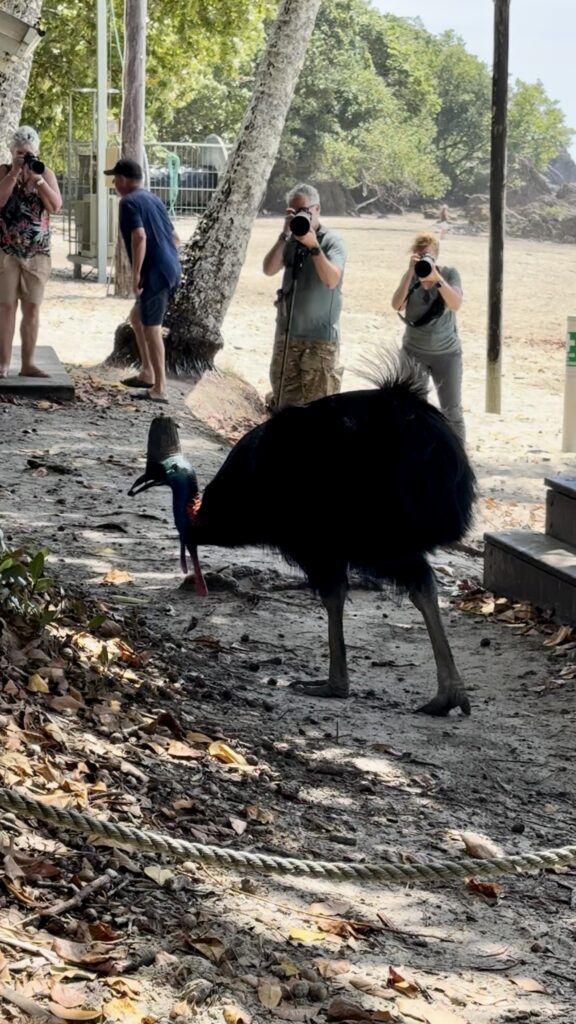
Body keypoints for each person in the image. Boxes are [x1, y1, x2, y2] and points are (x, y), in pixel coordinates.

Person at [263, 183, 346, 408]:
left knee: (319, 410)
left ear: (317, 209)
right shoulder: (290, 241)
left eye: (304, 210)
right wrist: (285, 233)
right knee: (284, 406)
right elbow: (269, 269)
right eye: (293, 211)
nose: (299, 215)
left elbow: (331, 280)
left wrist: (314, 246)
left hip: (319, 342)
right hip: (287, 336)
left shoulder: (331, 241)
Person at [105, 158, 181, 404]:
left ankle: (160, 388)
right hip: (170, 267)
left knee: (152, 328)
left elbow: (139, 236)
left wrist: (137, 273)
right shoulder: (153, 199)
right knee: (138, 318)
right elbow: (174, 236)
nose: (114, 183)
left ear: (125, 179)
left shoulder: (128, 202)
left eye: (115, 178)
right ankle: (147, 372)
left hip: (155, 272)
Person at [391, 232, 466, 442]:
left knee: (452, 411)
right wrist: (409, 273)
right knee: (414, 408)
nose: (423, 259)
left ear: (436, 256)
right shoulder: (411, 277)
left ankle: (459, 457)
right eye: (419, 254)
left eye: (428, 255)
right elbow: (397, 305)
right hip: (414, 352)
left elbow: (456, 304)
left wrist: (437, 278)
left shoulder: (449, 274)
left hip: (447, 353)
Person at [0, 126, 62, 379]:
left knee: (32, 308)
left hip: (37, 253)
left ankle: (28, 364)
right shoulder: (4, 172)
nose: (25, 158)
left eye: (29, 153)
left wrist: (38, 180)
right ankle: (3, 364)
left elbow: (56, 206)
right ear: (12, 151)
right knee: (5, 307)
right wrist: (14, 172)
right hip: (6, 251)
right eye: (20, 153)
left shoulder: (45, 172)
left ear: (36, 152)